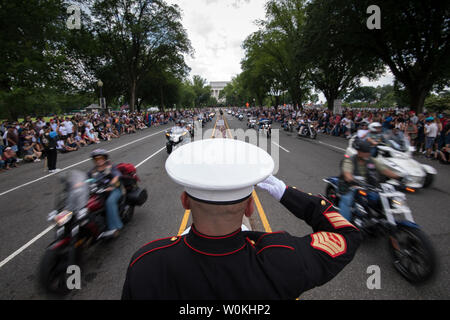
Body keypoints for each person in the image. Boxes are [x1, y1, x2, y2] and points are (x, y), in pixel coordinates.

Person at [122, 139, 362, 300]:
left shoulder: (146, 263)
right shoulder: (284, 258)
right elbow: (347, 234)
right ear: (250, 207)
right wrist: (283, 191)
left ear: (185, 202)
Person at [338, 139, 402, 222]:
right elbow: (347, 173)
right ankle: (344, 225)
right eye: (365, 152)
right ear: (359, 152)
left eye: (368, 151)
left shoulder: (371, 160)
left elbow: (384, 170)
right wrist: (350, 178)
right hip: (350, 186)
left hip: (368, 187)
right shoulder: (349, 160)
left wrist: (399, 177)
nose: (367, 154)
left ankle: (383, 219)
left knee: (384, 199)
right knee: (347, 200)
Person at [88, 149, 123, 239]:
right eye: (96, 159)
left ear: (105, 159)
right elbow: (85, 180)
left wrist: (111, 184)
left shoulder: (110, 167)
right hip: (98, 191)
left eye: (101, 158)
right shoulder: (92, 171)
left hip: (114, 189)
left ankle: (115, 227)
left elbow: (117, 175)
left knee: (110, 202)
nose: (99, 160)